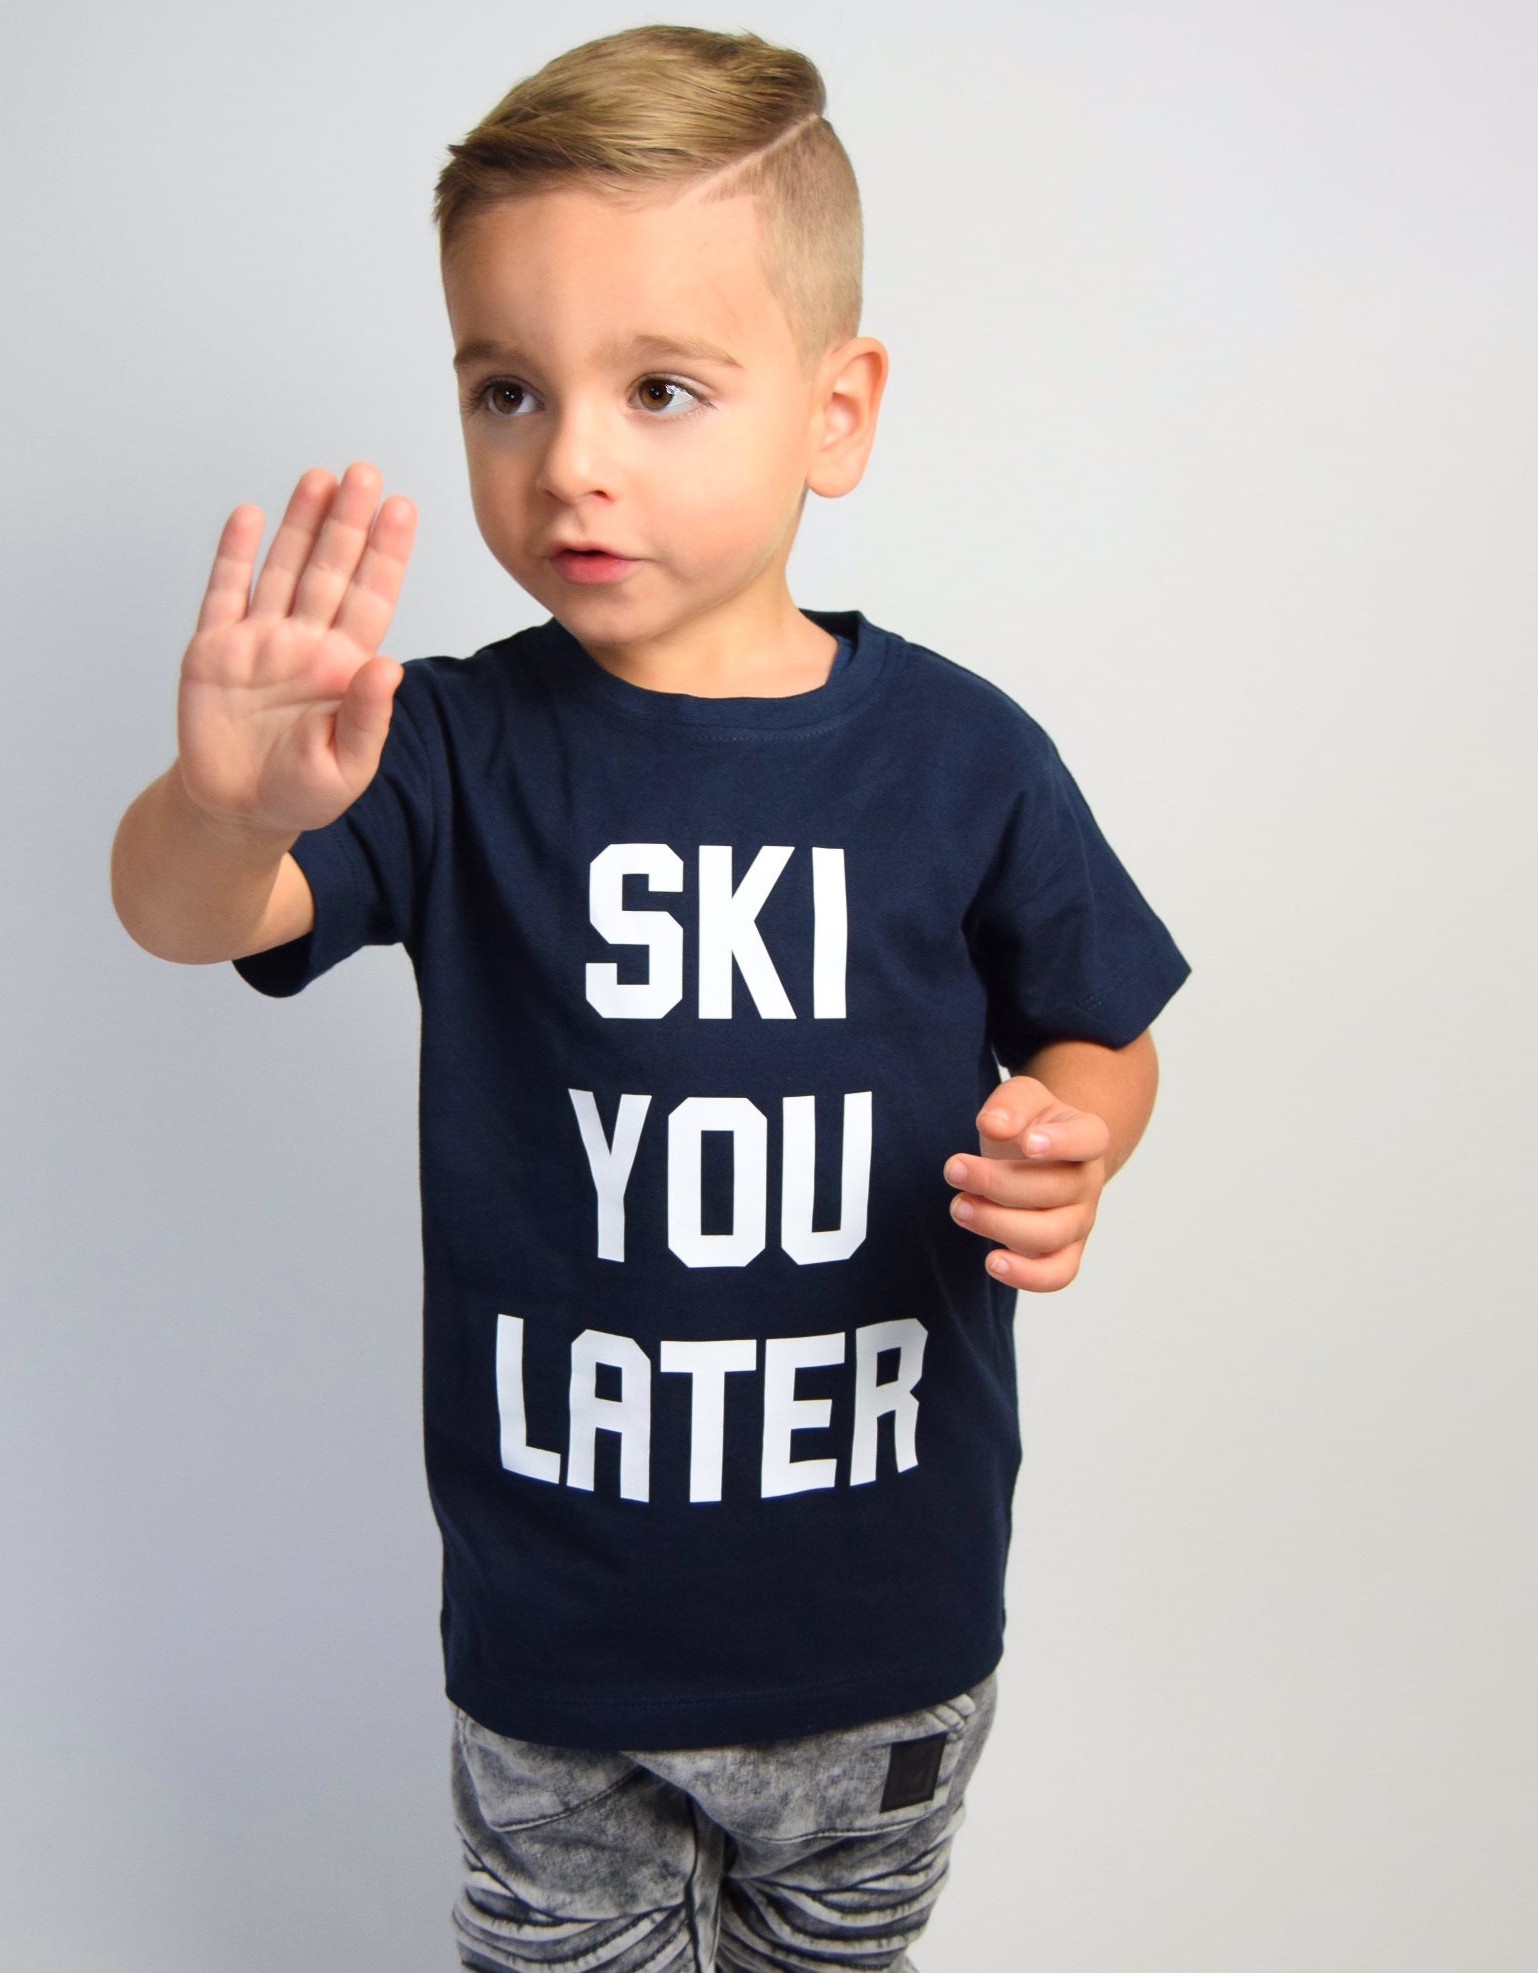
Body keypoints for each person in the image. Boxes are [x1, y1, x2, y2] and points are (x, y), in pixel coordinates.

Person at [109, 23, 1190, 1972]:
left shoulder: (960, 759)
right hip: (559, 1641)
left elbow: (1103, 1025)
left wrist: (1078, 1135)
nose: (571, 458)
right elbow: (195, 914)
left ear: (835, 412)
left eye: (663, 388)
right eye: (507, 389)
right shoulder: (439, 745)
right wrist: (217, 805)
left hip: (881, 1628)